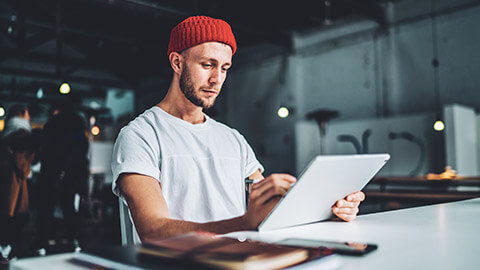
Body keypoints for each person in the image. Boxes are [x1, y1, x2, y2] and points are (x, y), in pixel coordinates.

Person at [112, 16, 365, 241]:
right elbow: (152, 230)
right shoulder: (140, 136)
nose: (217, 79)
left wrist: (328, 211)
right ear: (177, 63)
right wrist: (244, 224)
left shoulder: (232, 139)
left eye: (224, 68)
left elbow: (270, 208)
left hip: (240, 261)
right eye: (207, 65)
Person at [35, 103, 90, 254]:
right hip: (71, 174)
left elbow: (44, 149)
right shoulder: (77, 128)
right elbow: (81, 153)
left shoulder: (52, 125)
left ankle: (42, 244)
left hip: (51, 172)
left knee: (46, 208)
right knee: (69, 208)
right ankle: (75, 241)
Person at [0, 104, 35, 262]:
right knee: (15, 218)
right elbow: (21, 164)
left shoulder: (5, 133)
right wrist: (28, 168)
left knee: (6, 217)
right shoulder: (22, 134)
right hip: (15, 183)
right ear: (22, 115)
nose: (29, 117)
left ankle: (5, 250)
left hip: (4, 180)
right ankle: (7, 252)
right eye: (27, 114)